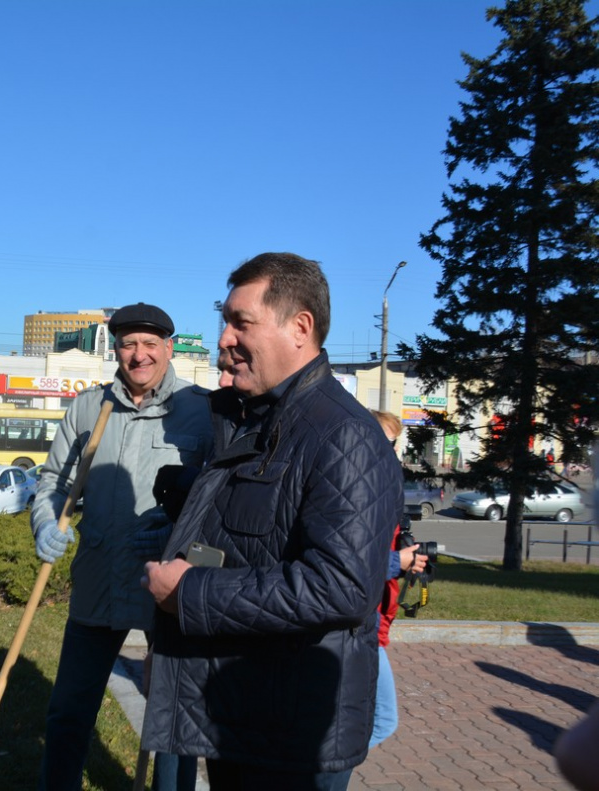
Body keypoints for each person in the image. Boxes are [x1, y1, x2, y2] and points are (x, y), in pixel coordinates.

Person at [142, 253, 401, 790]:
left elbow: (342, 587)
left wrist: (191, 594)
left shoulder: (343, 435)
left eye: (241, 323)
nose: (223, 339)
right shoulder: (252, 421)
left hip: (290, 739)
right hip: (242, 714)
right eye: (225, 322)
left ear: (300, 327)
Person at [30, 302, 212, 791]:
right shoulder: (89, 407)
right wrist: (46, 522)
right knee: (68, 711)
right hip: (98, 581)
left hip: (168, 588)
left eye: (150, 344)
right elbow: (53, 481)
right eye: (129, 344)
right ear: (116, 348)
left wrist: (181, 537)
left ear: (169, 348)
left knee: (174, 725)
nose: (139, 355)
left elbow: (219, 505)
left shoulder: (201, 410)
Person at [367, 409, 427, 749]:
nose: (394, 452)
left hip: (373, 622)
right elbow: (350, 561)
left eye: (396, 444)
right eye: (388, 443)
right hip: (362, 625)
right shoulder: (365, 490)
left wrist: (406, 562)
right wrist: (396, 561)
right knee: (383, 721)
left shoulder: (383, 487)